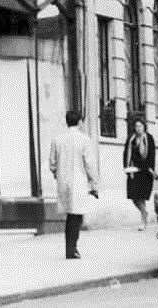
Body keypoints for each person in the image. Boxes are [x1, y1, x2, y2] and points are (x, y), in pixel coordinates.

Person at [49, 110, 100, 259]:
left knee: (71, 215)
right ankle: (72, 249)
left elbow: (52, 163)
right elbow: (89, 164)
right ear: (79, 122)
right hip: (79, 181)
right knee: (76, 216)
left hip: (63, 181)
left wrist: (56, 174)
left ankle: (71, 248)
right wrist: (94, 184)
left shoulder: (57, 140)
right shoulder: (84, 140)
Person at [123, 118, 157, 229]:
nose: (138, 128)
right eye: (136, 126)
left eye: (140, 126)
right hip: (134, 172)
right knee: (134, 197)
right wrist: (126, 168)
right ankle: (144, 212)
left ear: (144, 127)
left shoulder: (149, 138)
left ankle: (143, 219)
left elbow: (152, 155)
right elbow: (126, 154)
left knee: (141, 196)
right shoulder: (131, 139)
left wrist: (150, 169)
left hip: (145, 171)